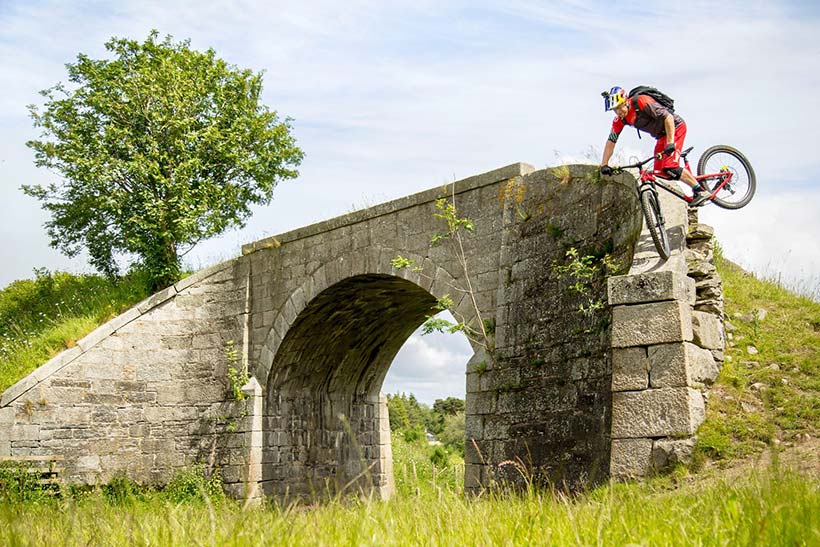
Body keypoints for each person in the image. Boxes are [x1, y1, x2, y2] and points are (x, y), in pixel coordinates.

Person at [599, 86, 708, 207]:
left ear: (626, 101)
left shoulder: (641, 101)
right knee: (660, 172)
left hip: (675, 128)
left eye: (619, 107)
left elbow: (668, 117)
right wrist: (604, 164)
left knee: (671, 167)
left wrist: (670, 142)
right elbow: (611, 140)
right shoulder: (619, 120)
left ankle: (700, 190)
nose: (618, 112)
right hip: (661, 137)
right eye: (615, 110)